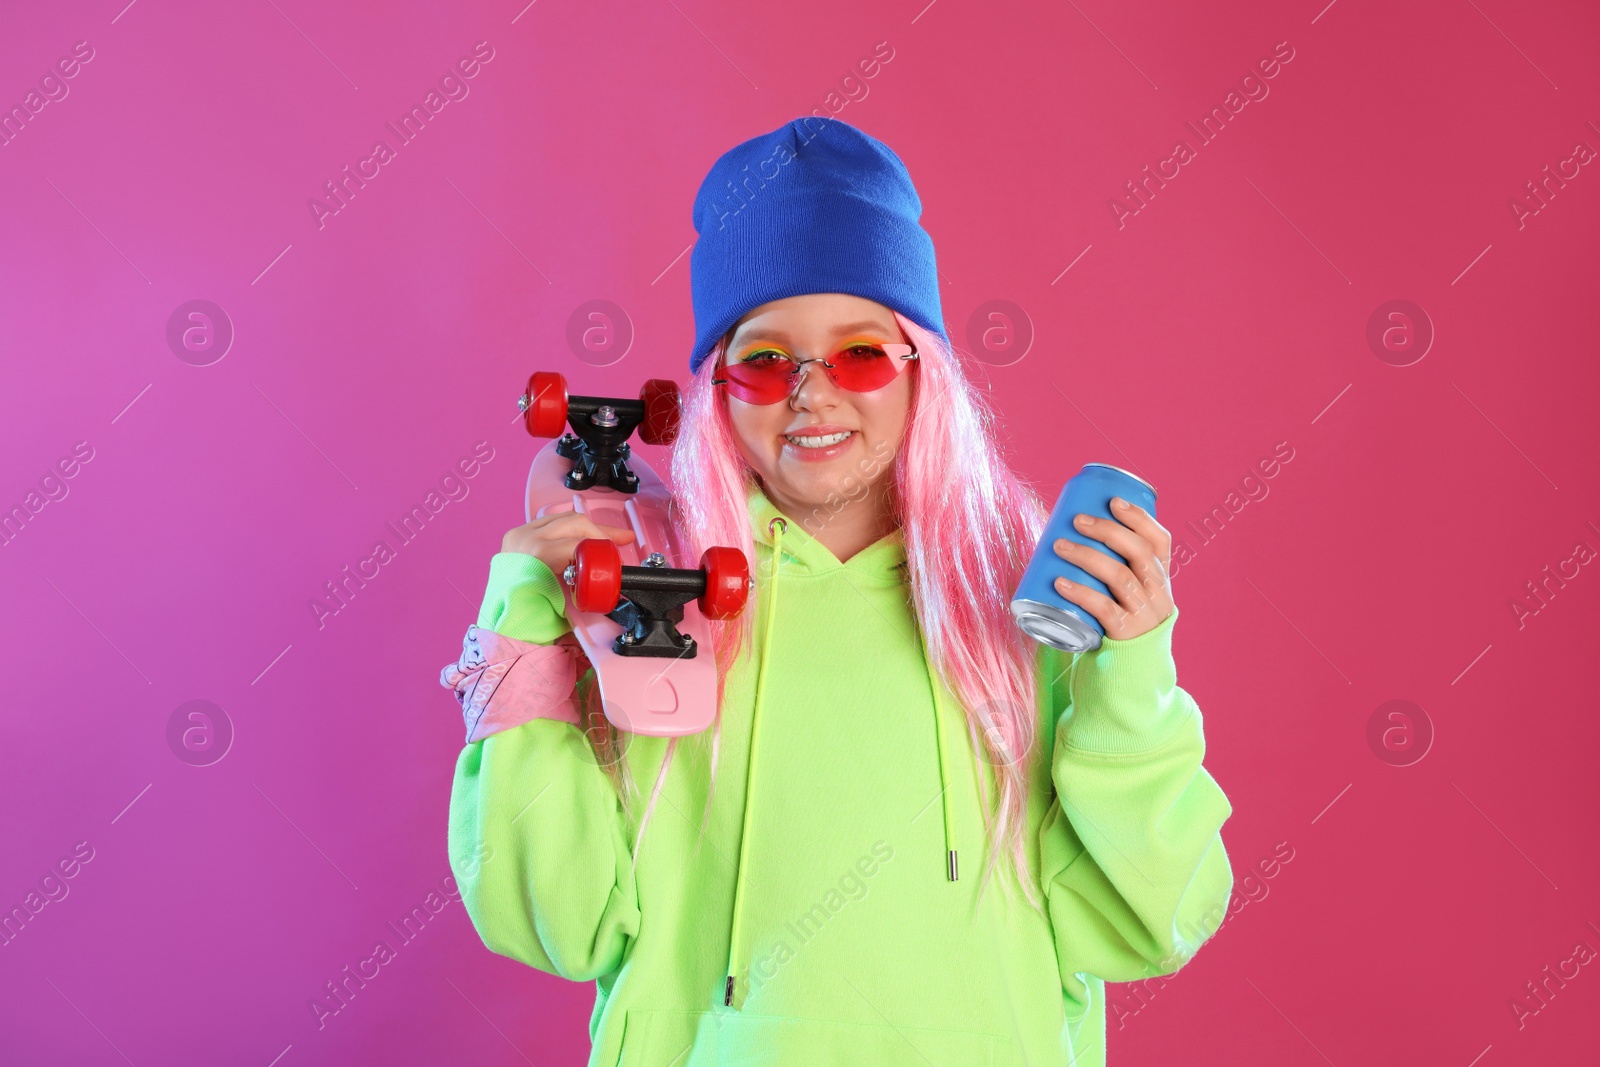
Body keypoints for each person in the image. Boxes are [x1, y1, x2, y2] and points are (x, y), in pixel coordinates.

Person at [444, 115, 1233, 1066]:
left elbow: (1158, 918)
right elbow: (554, 919)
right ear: (717, 388)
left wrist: (1130, 670)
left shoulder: (1026, 609)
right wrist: (523, 621)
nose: (812, 394)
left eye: (858, 352)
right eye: (766, 360)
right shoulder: (648, 612)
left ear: (918, 369)